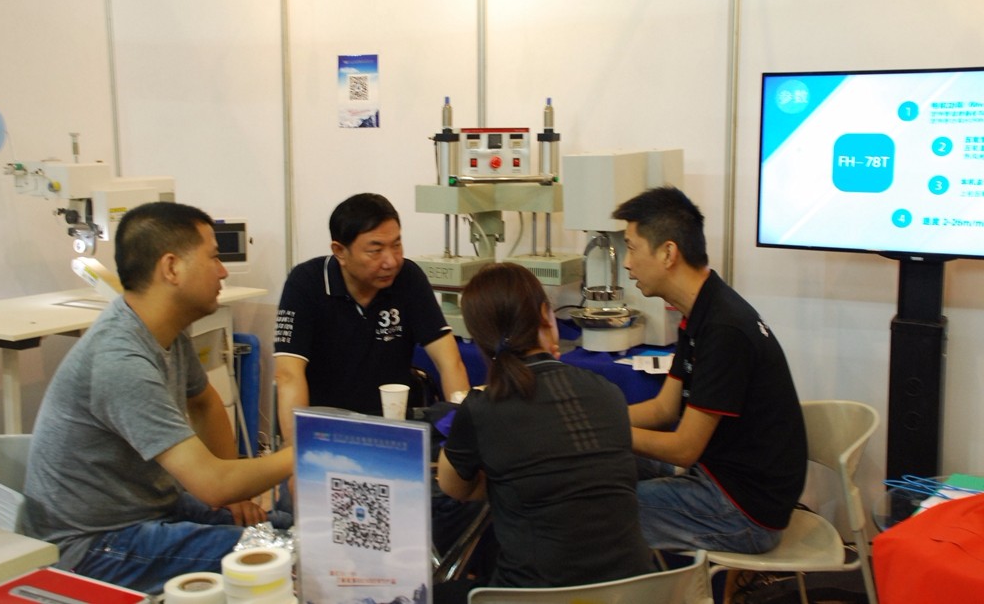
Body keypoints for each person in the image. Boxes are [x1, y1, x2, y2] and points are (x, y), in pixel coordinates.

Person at [21, 202, 294, 595]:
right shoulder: (120, 359)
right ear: (171, 268)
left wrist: (238, 494)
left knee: (282, 529)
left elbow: (205, 403)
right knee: (284, 556)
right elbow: (213, 484)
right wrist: (307, 450)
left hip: (149, 509)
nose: (222, 271)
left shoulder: (165, 331)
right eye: (214, 257)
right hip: (90, 546)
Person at [435, 263, 654, 602]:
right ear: (545, 315)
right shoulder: (607, 391)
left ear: (479, 338)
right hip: (636, 592)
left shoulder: (482, 408)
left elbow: (454, 487)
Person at [612, 186, 807, 554]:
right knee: (598, 465)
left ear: (668, 253)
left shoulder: (724, 329)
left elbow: (684, 449)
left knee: (594, 509)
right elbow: (663, 409)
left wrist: (604, 430)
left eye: (632, 248)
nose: (626, 263)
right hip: (717, 477)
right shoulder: (701, 311)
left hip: (743, 511)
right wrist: (595, 422)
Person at [273, 192, 469, 437]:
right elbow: (288, 375)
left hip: (395, 428)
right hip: (327, 430)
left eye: (396, 245)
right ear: (340, 251)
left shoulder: (408, 279)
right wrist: (296, 449)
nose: (391, 261)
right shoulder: (306, 283)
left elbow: (450, 362)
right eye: (375, 250)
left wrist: (463, 437)